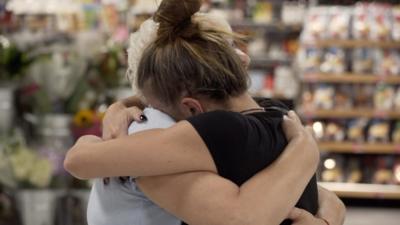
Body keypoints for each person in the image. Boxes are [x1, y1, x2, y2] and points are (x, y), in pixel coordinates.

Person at [64, 0, 346, 224]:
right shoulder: (278, 114)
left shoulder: (213, 130)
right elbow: (324, 198)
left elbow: (79, 160)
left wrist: (305, 153)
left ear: (191, 107)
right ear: (239, 62)